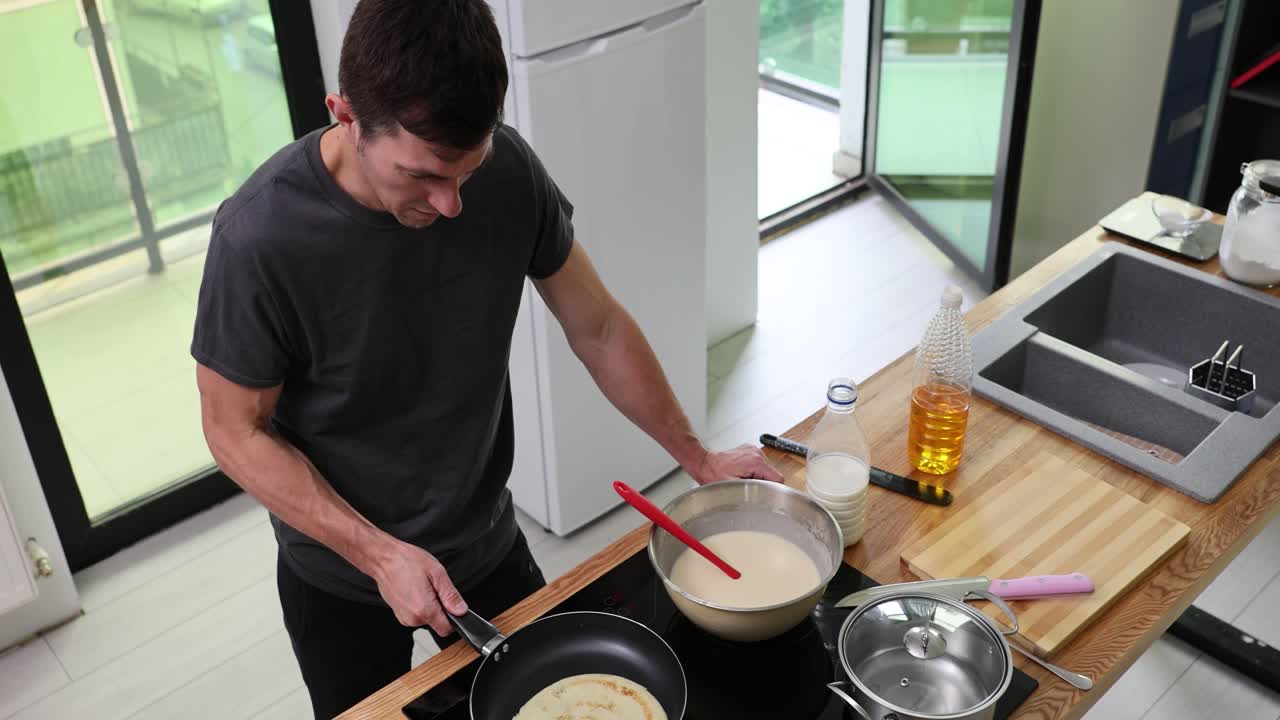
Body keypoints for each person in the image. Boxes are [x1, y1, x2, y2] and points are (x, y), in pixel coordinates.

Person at [191, 0, 783, 717]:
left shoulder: (509, 175)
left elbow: (597, 327)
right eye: (422, 176)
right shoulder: (260, 238)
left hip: (484, 540)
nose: (450, 205)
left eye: (467, 172)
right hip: (340, 572)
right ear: (345, 116)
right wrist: (380, 554)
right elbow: (232, 430)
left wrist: (699, 459)